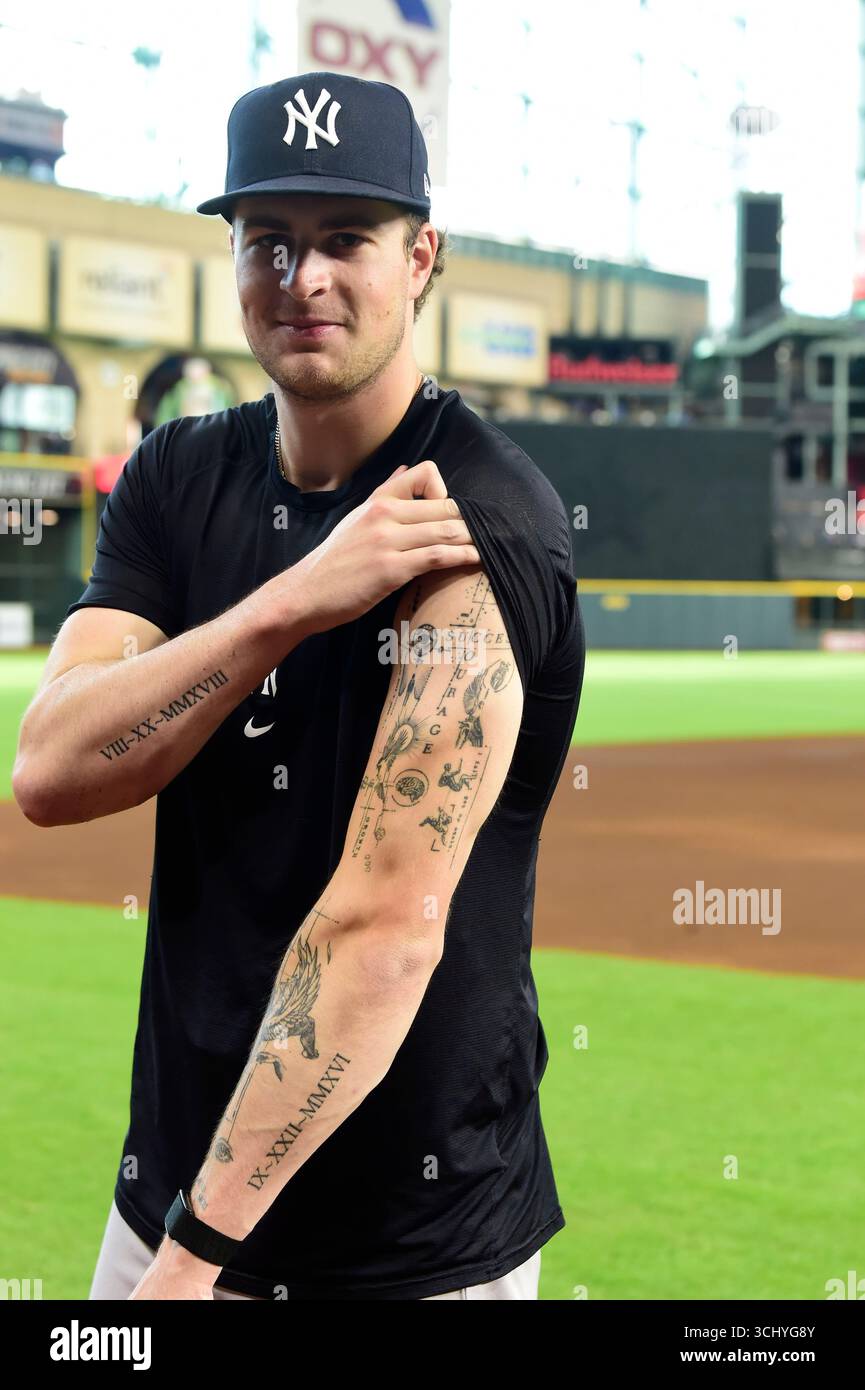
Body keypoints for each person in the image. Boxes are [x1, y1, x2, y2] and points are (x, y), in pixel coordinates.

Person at [12, 71, 585, 1301]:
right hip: (169, 1185)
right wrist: (290, 602)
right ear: (230, 254)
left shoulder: (472, 516)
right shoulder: (174, 477)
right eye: (267, 240)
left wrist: (193, 1264)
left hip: (410, 1244)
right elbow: (51, 771)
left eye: (345, 240)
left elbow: (383, 925)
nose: (302, 278)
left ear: (420, 255)